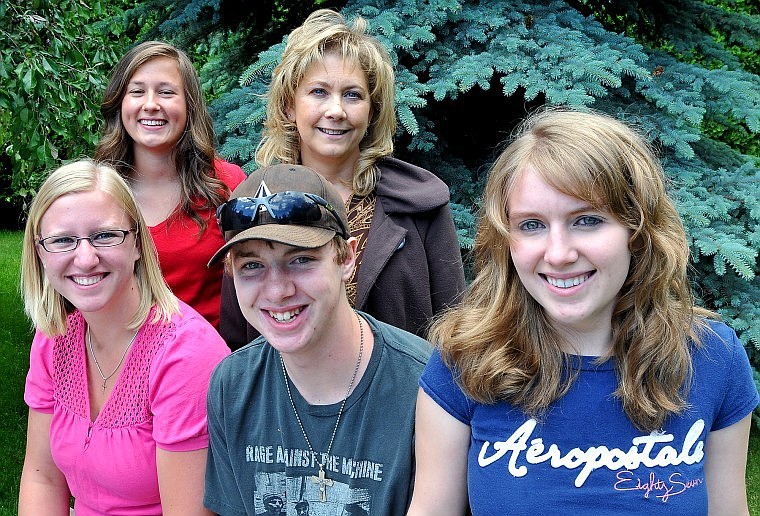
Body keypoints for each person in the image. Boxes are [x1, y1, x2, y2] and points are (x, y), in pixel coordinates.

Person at [407, 108, 758, 515]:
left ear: (638, 231)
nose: (558, 254)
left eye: (587, 220)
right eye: (531, 225)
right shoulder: (465, 360)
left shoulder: (713, 358)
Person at [219, 9, 465, 348]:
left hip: (408, 395)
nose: (336, 110)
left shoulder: (419, 204)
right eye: (319, 92)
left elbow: (454, 328)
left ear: (372, 110)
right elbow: (237, 341)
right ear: (290, 106)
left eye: (352, 94)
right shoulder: (254, 206)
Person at [203, 164, 431, 515]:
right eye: (252, 266)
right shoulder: (232, 386)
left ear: (347, 258)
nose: (278, 290)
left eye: (301, 260)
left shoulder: (423, 385)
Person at [18, 160, 229, 515]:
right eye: (62, 240)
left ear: (136, 244)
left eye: (104, 236)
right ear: (40, 254)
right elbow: (43, 480)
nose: (85, 258)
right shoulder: (55, 338)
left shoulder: (184, 355)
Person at [95, 41, 246, 329]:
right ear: (120, 102)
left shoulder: (226, 185)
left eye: (166, 92)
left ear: (189, 105)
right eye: (137, 91)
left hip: (209, 359)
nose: (151, 104)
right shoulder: (98, 192)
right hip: (122, 359)